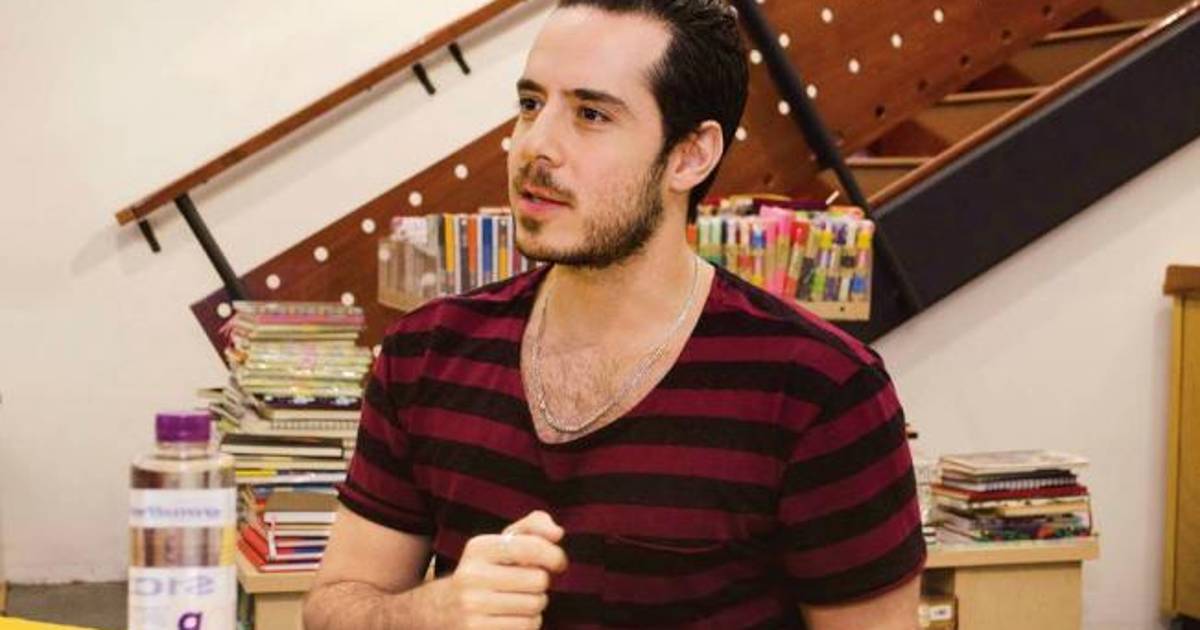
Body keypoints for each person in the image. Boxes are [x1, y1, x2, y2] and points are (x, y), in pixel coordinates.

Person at [303, 1, 925, 627]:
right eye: (530, 104)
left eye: (591, 114)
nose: (534, 145)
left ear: (690, 156)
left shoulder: (821, 389)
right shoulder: (425, 352)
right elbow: (332, 606)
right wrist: (427, 614)